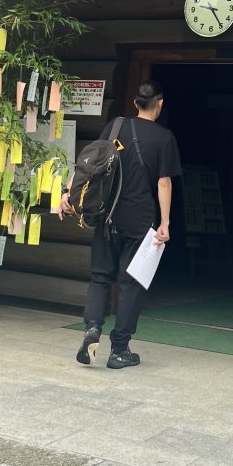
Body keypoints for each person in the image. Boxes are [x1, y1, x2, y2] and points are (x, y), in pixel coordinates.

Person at [62, 80, 181, 369]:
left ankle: (92, 327)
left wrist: (68, 192)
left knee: (101, 276)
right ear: (160, 104)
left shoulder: (116, 127)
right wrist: (165, 222)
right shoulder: (164, 138)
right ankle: (119, 350)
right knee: (131, 282)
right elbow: (163, 182)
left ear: (135, 103)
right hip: (140, 219)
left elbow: (89, 164)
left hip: (108, 214)